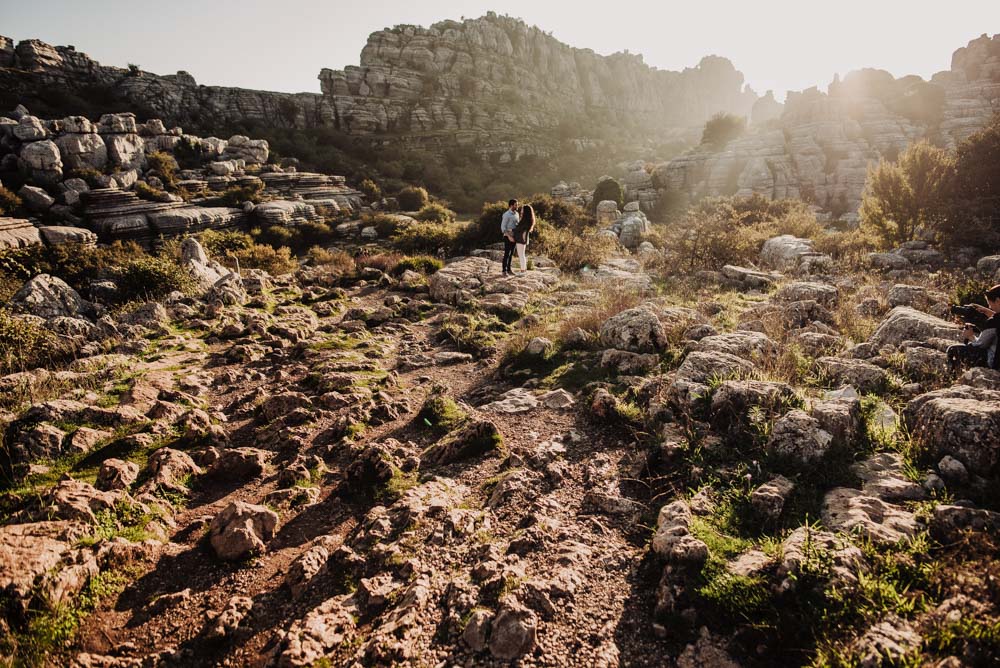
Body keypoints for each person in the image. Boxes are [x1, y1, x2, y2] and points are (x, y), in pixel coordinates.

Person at [947, 283, 1000, 371]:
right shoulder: (996, 320)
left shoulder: (993, 322)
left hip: (994, 363)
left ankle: (952, 376)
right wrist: (986, 311)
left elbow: (980, 345)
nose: (990, 307)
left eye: (990, 305)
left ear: (998, 301)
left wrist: (970, 336)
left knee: (952, 350)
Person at [513, 204, 536, 273]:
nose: (521, 210)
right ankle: (524, 269)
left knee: (521, 255)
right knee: (522, 255)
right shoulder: (526, 219)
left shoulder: (525, 221)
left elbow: (524, 231)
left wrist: (523, 239)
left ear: (526, 211)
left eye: (523, 209)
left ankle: (523, 271)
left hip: (521, 239)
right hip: (522, 239)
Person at [500, 199, 519, 276]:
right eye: (516, 205)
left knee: (511, 254)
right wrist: (509, 237)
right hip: (508, 237)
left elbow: (517, 225)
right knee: (507, 254)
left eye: (517, 204)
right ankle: (504, 271)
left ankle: (509, 269)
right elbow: (503, 228)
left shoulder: (517, 214)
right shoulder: (506, 215)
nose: (517, 206)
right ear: (511, 206)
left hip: (514, 237)